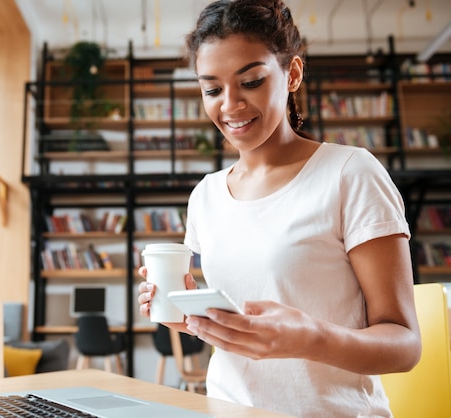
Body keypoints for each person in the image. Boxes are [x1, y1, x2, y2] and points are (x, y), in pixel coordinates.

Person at [137, 0, 421, 416]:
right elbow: (244, 331)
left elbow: (405, 345)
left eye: (250, 81)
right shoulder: (206, 195)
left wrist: (309, 337)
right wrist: (192, 317)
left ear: (292, 74)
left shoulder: (349, 173)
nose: (229, 105)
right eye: (212, 89)